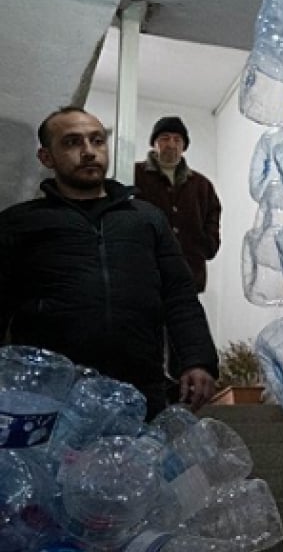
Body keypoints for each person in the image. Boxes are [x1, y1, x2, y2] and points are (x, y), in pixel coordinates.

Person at [0, 107, 218, 419]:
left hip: (141, 392)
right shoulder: (18, 223)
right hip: (49, 401)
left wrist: (197, 360)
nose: (89, 152)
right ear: (46, 157)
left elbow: (179, 296)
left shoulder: (146, 219)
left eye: (97, 141)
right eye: (72, 143)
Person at [133, 116, 222, 293]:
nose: (171, 144)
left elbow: (213, 215)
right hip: (143, 276)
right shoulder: (134, 174)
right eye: (165, 138)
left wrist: (207, 245)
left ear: (184, 146)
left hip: (189, 277)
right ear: (154, 143)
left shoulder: (201, 184)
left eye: (177, 139)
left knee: (185, 320)